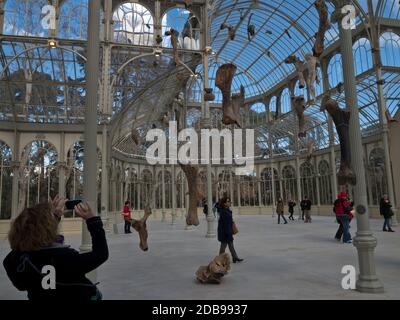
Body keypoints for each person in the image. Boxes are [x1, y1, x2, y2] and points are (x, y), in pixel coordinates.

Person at [3, 196, 109, 300]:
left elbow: (21, 285)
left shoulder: (15, 261)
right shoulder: (66, 258)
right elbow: (101, 254)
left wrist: (54, 218)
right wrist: (92, 220)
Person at [217, 197, 243, 263]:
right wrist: (228, 233)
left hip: (228, 231)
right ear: (224, 203)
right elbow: (225, 224)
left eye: (229, 201)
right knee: (223, 247)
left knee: (231, 246)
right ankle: (219, 260)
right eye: (228, 201)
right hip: (225, 232)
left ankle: (235, 257)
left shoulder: (227, 210)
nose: (229, 202)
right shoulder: (223, 212)